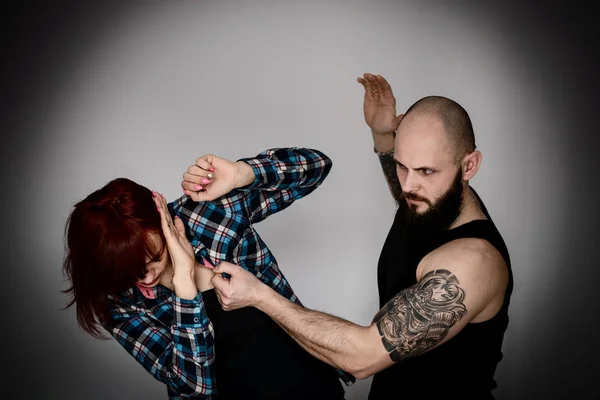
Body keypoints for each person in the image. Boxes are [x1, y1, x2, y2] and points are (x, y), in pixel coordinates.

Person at [207, 74, 514, 399]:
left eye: (426, 171)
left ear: (469, 166)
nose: (409, 185)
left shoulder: (473, 263)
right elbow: (408, 188)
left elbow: (362, 357)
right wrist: (382, 136)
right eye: (401, 166)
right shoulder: (430, 201)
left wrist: (259, 295)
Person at [62, 147, 351, 400]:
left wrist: (242, 173)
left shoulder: (207, 213)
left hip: (312, 384)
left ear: (160, 216)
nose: (146, 278)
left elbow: (317, 166)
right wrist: (185, 286)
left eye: (153, 259)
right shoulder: (118, 303)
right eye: (128, 272)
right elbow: (193, 387)